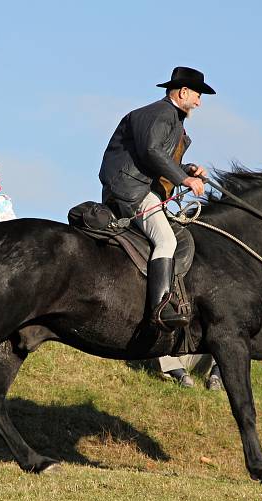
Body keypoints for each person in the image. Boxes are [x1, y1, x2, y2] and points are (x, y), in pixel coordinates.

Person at [99, 66, 214, 330]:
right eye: (197, 95)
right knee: (166, 240)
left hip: (136, 185)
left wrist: (188, 169)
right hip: (133, 190)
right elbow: (151, 152)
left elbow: (158, 159)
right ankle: (160, 308)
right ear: (183, 92)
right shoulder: (161, 114)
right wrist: (184, 179)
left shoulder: (171, 118)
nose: (199, 102)